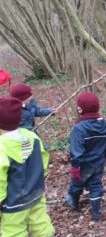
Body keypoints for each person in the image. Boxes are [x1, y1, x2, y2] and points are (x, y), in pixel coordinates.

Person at [0, 97, 55, 237]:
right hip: (36, 192)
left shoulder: (2, 147)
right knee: (40, 222)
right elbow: (43, 160)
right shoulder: (32, 137)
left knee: (13, 230)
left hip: (13, 202)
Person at [65, 92, 106, 221]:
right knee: (96, 185)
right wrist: (105, 154)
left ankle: (74, 203)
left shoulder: (79, 128)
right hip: (98, 163)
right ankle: (96, 212)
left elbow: (76, 151)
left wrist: (75, 168)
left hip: (83, 165)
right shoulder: (104, 124)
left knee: (76, 185)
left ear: (80, 109)